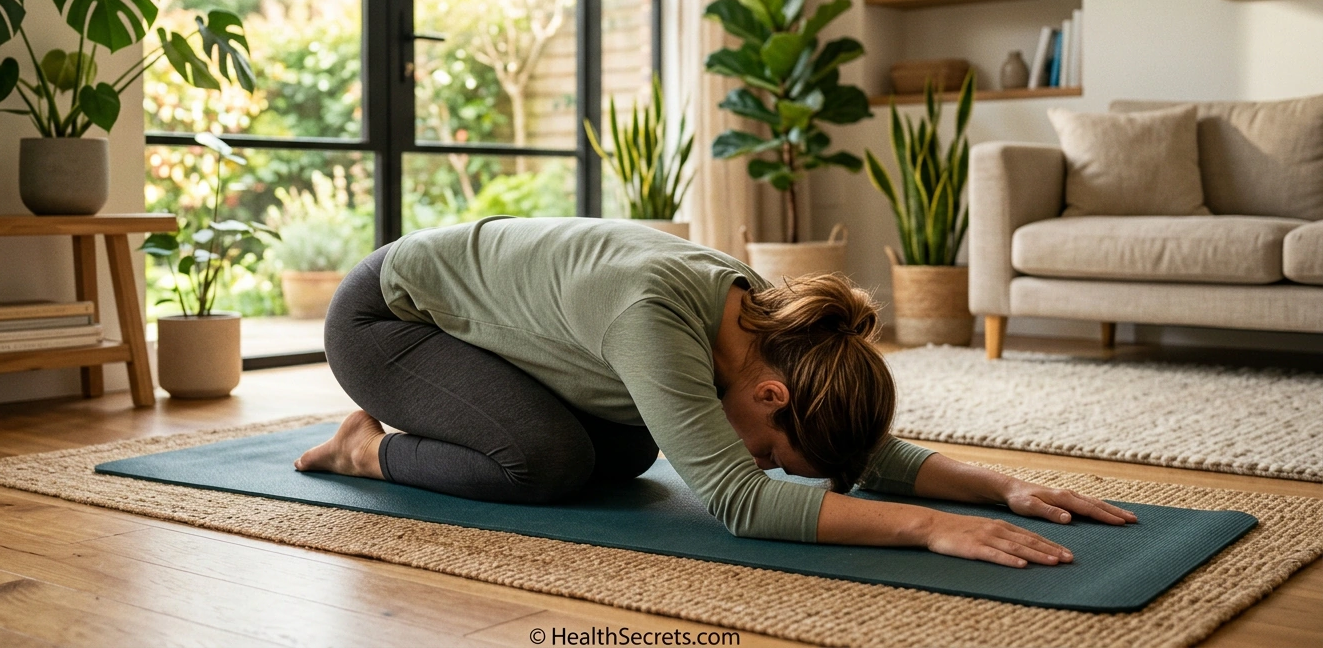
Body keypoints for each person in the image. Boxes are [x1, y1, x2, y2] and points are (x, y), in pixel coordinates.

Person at [296, 216, 1136, 567]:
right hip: (387, 323)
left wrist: (1005, 486)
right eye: (773, 451)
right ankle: (365, 448)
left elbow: (848, 450)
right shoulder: (656, 319)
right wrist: (930, 527)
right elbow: (739, 504)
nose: (761, 462)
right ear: (771, 397)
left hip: (494, 336)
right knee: (544, 465)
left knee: (626, 450)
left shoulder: (771, 332)